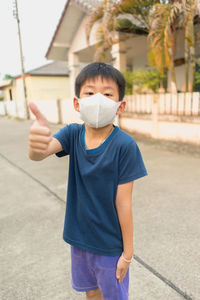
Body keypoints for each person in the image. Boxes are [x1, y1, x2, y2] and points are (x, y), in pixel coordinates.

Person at [28, 62, 147, 300]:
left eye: (107, 93)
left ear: (120, 105)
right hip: (78, 240)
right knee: (91, 294)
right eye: (90, 93)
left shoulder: (125, 146)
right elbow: (41, 153)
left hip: (109, 245)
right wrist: (35, 145)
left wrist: (128, 253)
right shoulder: (72, 134)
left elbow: (123, 204)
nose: (98, 99)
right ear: (77, 102)